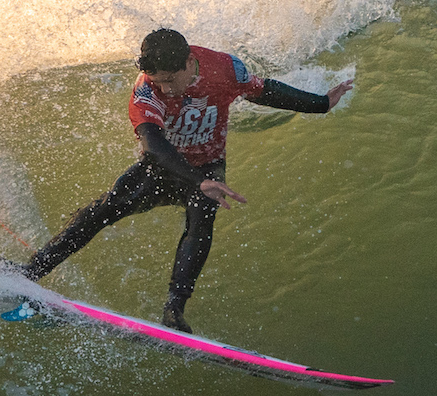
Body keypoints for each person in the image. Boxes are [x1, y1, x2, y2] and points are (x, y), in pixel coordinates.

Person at [17, 28, 354, 332]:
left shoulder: (224, 69)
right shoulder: (145, 91)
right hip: (165, 166)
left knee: (201, 220)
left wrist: (321, 104)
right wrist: (195, 179)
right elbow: (154, 146)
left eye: (168, 80)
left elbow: (263, 92)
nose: (162, 88)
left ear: (188, 63)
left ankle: (174, 312)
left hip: (208, 164)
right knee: (100, 211)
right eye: (156, 81)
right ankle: (29, 272)